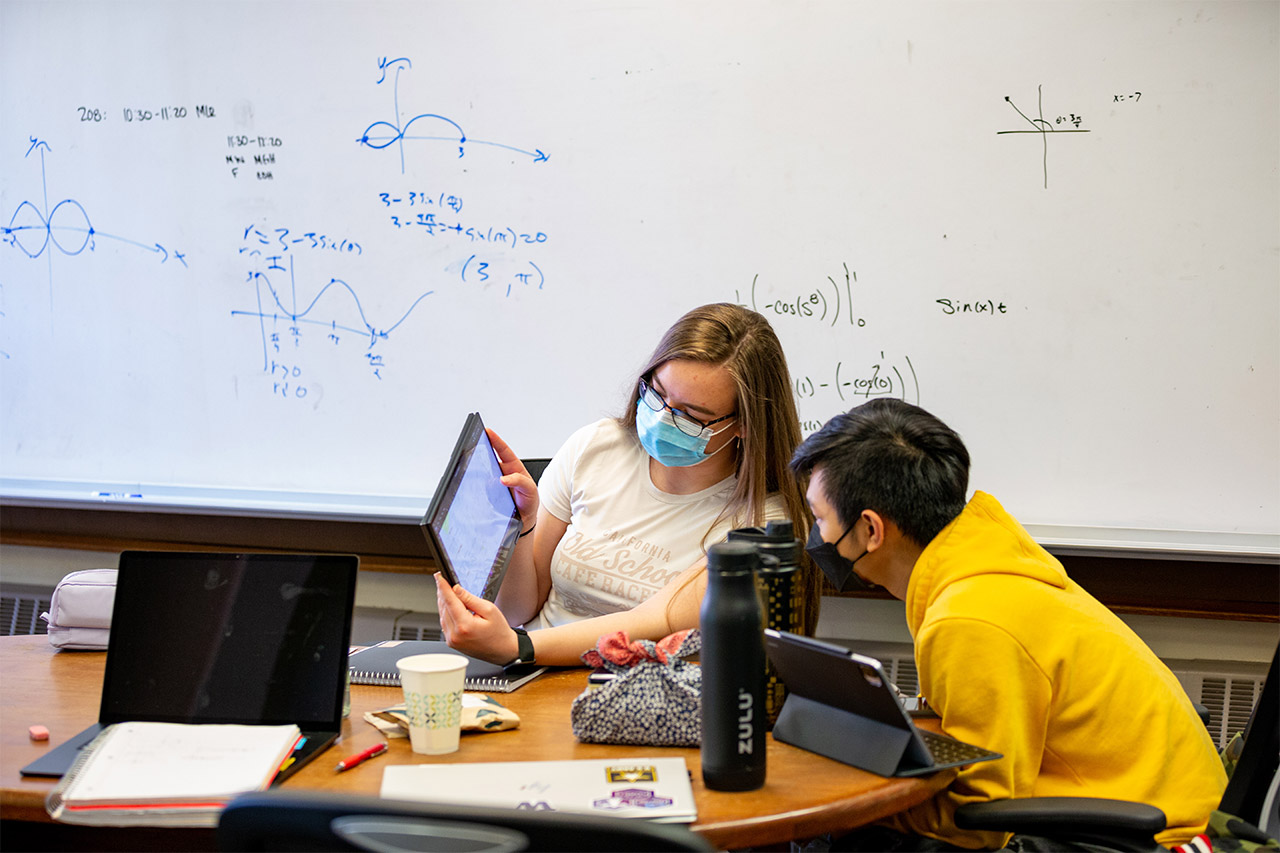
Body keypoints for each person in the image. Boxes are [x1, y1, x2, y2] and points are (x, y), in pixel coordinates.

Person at [790, 398, 1226, 851]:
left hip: (1147, 839)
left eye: (820, 518)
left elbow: (981, 817)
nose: (817, 537)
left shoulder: (970, 619)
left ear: (870, 530)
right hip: (1157, 810)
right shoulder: (987, 562)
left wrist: (847, 815)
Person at [436, 302, 816, 667]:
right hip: (529, 669)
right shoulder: (596, 446)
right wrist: (525, 525)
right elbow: (519, 610)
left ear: (744, 424)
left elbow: (658, 619)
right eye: (658, 393)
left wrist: (518, 646)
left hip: (639, 693)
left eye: (691, 415)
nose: (663, 418)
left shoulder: (763, 521)